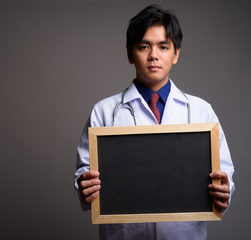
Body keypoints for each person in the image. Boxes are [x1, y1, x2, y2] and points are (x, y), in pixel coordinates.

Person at [74, 4, 235, 240]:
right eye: (143, 47)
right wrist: (84, 186)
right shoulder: (104, 112)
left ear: (176, 53)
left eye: (163, 46)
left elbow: (225, 174)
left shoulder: (201, 111)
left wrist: (224, 189)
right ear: (130, 54)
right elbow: (85, 174)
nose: (153, 55)